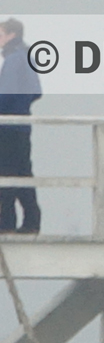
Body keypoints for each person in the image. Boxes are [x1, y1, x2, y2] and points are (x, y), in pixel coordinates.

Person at [0, 19, 43, 235]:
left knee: (6, 174)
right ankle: (32, 221)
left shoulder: (14, 59)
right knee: (23, 173)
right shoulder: (27, 57)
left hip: (8, 128)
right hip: (22, 127)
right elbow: (36, 92)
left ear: (10, 34)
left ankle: (5, 224)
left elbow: (5, 95)